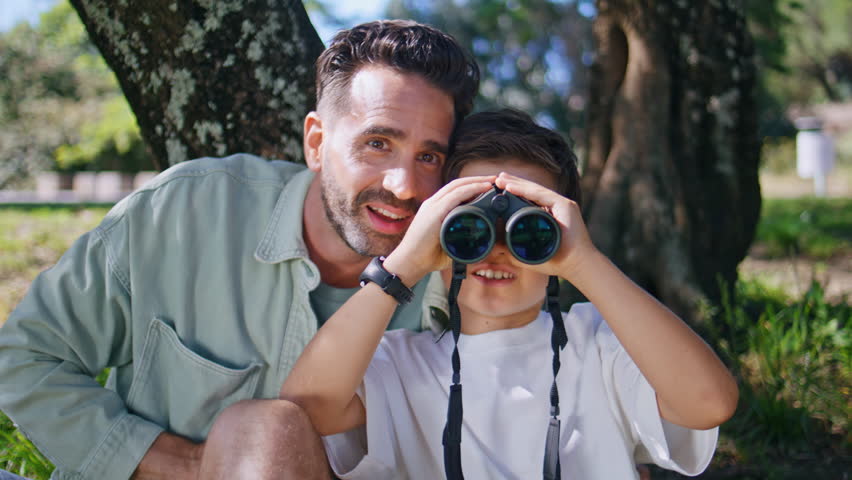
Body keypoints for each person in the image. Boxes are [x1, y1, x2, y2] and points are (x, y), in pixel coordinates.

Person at [0, 20, 479, 480]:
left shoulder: (457, 277)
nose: (404, 186)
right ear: (316, 142)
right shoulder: (184, 210)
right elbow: (26, 356)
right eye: (377, 143)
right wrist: (191, 466)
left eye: (429, 156)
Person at [276, 109, 740, 479]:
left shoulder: (599, 344)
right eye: (468, 226)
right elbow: (305, 408)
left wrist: (585, 263)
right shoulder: (396, 364)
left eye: (529, 230)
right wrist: (407, 263)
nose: (497, 251)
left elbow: (708, 403)